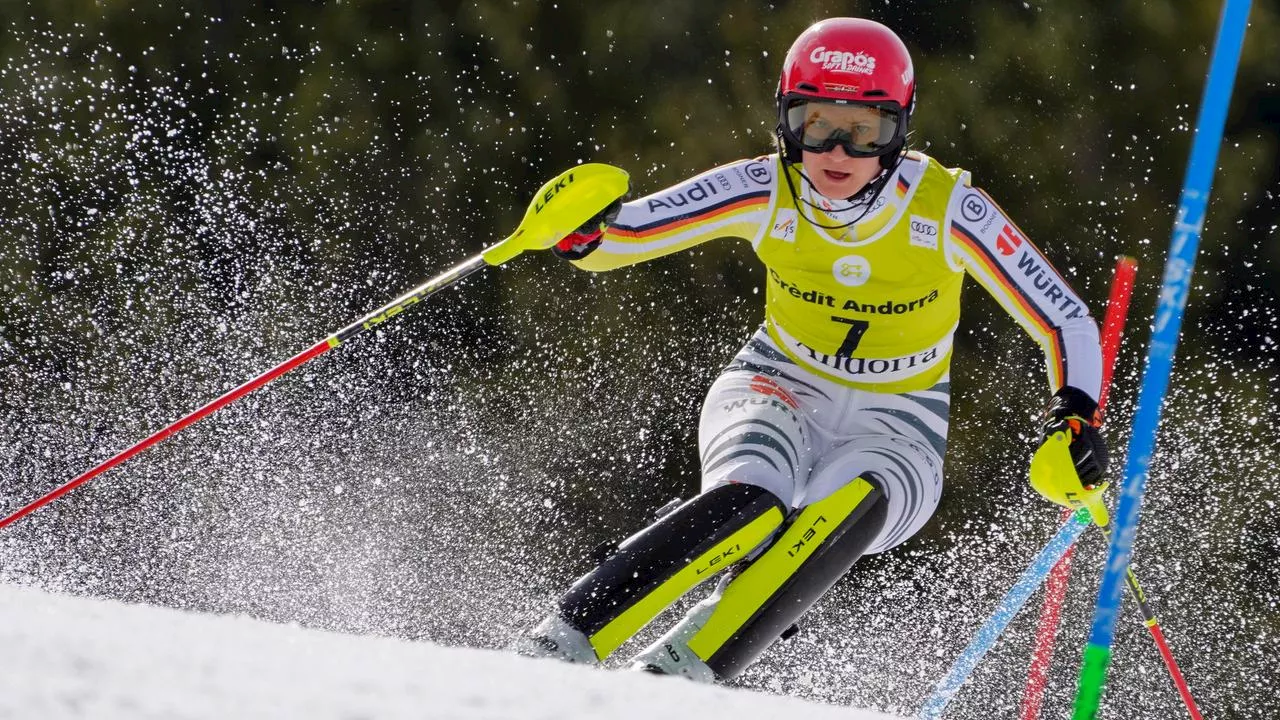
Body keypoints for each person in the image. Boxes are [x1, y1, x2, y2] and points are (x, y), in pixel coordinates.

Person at [517, 17, 1109, 682]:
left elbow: (1063, 318)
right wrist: (580, 233)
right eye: (813, 121)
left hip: (899, 419)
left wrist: (1076, 417)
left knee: (845, 510)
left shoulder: (947, 208)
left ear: (901, 127)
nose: (835, 150)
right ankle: (562, 639)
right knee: (753, 501)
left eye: (865, 130)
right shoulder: (765, 186)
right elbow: (630, 234)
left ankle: (687, 671)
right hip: (777, 383)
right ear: (784, 118)